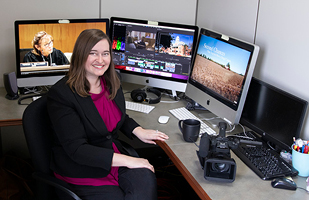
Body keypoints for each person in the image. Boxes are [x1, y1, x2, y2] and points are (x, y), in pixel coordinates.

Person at [47, 29, 169, 200]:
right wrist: (129, 161)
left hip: (113, 157)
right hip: (82, 167)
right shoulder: (62, 95)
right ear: (80, 55)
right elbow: (77, 150)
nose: (100, 60)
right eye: (93, 53)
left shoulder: (112, 81)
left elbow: (116, 116)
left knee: (146, 184)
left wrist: (138, 130)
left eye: (105, 54)